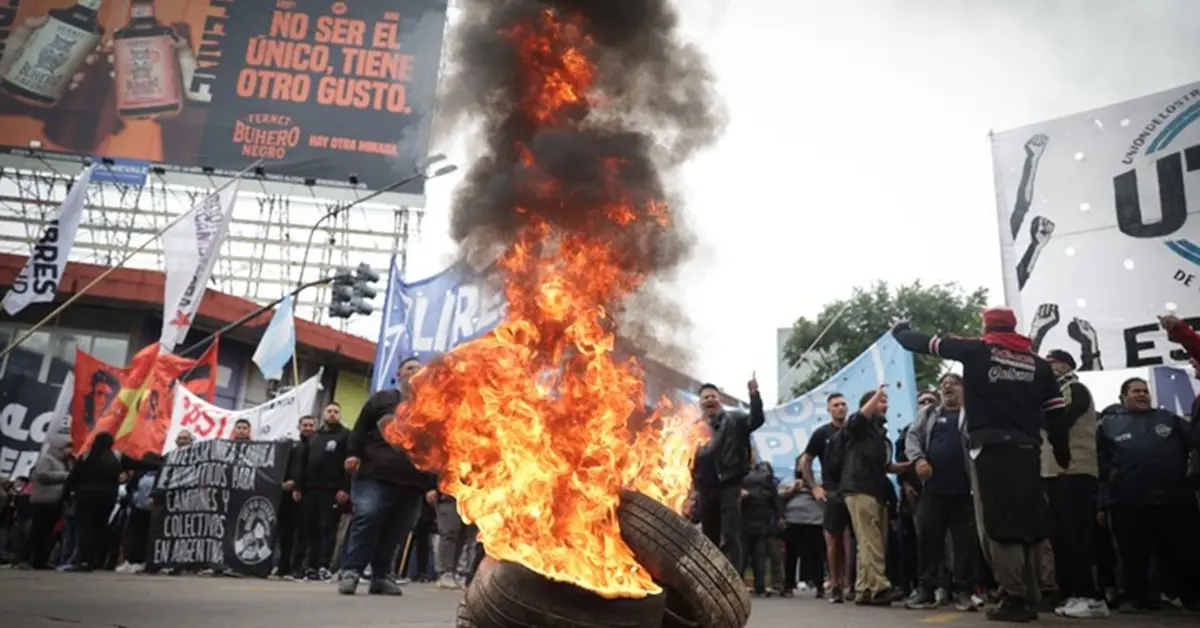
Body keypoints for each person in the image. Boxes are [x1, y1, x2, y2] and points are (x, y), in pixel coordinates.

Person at [892, 308, 1070, 623]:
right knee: (1028, 521)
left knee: (1000, 524)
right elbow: (1056, 410)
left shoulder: (977, 349)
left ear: (987, 327)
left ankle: (1014, 598)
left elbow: (924, 344)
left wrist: (900, 331)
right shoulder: (1038, 364)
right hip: (1029, 448)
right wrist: (1062, 449)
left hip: (991, 449)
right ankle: (1031, 594)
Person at [1096, 378, 1200, 612]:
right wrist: (1108, 476)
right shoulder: (1108, 425)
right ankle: (1138, 598)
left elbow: (1194, 443)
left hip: (1173, 499)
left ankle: (1184, 596)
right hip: (1128, 500)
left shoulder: (1169, 419)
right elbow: (1097, 458)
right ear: (1123, 397)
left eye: (1145, 391)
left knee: (1180, 551)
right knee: (1133, 554)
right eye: (1136, 391)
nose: (1142, 395)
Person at [338, 357, 435, 596]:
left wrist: (432, 484)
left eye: (419, 369)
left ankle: (381, 576)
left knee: (397, 529)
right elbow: (360, 427)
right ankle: (351, 571)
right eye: (410, 368)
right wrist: (353, 454)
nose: (415, 372)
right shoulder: (382, 399)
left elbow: (436, 447)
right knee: (368, 518)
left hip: (413, 482)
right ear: (399, 374)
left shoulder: (432, 407)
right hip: (375, 475)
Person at [1040, 351, 1108, 618]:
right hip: (1055, 473)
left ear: (1064, 365)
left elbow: (1063, 420)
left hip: (1076, 470)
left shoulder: (1074, 389)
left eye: (1051, 364)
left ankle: (1091, 596)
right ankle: (1073, 593)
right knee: (1061, 537)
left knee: (1077, 536)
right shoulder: (1050, 394)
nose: (1047, 369)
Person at [904, 374, 978, 612]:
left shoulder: (973, 414)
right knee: (929, 541)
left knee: (964, 543)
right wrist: (918, 460)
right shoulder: (929, 414)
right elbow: (912, 436)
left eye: (953, 384)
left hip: (965, 490)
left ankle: (963, 591)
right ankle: (925, 590)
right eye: (944, 385)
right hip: (934, 490)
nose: (948, 388)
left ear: (963, 389)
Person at [842, 386, 908, 606]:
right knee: (872, 540)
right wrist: (874, 397)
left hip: (875, 489)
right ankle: (880, 587)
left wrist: (909, 466)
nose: (885, 404)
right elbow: (857, 419)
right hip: (860, 488)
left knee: (867, 541)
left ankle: (864, 588)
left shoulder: (880, 436)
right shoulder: (859, 428)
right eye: (880, 401)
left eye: (885, 401)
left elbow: (886, 466)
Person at [692, 377, 764, 573]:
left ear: (719, 399)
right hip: (706, 487)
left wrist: (754, 395)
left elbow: (757, 420)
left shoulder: (736, 419)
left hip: (730, 483)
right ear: (700, 402)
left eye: (712, 396)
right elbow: (690, 459)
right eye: (705, 397)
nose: (709, 400)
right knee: (709, 536)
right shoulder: (695, 427)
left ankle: (733, 579)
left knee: (730, 535)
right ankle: (711, 578)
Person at [61, 433, 158, 572]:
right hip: (107, 498)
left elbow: (73, 478)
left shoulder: (86, 456)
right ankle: (93, 561)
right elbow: (137, 464)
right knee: (99, 529)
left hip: (85, 497)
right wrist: (161, 464)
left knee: (84, 529)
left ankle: (83, 560)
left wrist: (65, 496)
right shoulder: (117, 457)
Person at [798, 392, 854, 603]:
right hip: (832, 491)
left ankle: (854, 584)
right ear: (829, 410)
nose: (841, 408)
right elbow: (806, 460)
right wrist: (814, 487)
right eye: (836, 405)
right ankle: (836, 585)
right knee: (834, 540)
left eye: (843, 404)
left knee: (857, 541)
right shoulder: (822, 433)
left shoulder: (853, 431)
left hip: (855, 490)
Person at [294, 404, 350, 581]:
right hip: (311, 489)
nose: (332, 414)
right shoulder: (315, 437)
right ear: (323, 414)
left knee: (327, 529)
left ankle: (324, 566)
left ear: (340, 415)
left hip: (332, 490)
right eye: (329, 411)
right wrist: (298, 487)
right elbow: (303, 463)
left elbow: (349, 465)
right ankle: (309, 565)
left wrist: (344, 488)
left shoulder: (345, 436)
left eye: (336, 412)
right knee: (310, 529)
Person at [277, 415, 316, 579]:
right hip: (287, 495)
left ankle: (298, 567)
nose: (307, 428)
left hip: (307, 494)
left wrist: (298, 483)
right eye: (304, 425)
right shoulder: (292, 447)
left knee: (303, 533)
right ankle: (283, 566)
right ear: (298, 427)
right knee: (285, 532)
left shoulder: (316, 446)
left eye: (310, 425)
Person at [779, 463, 825, 598]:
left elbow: (824, 496)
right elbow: (780, 496)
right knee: (791, 555)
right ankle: (788, 584)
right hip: (793, 520)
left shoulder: (819, 480)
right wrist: (794, 488)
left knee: (817, 555)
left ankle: (819, 584)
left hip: (814, 521)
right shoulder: (788, 480)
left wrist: (812, 487)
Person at [28, 433, 72, 570]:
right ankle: (26, 558)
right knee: (37, 531)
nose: (69, 450)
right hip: (43, 500)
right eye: (67, 447)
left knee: (48, 533)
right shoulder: (46, 459)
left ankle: (41, 560)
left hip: (56, 501)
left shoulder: (64, 462)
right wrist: (65, 476)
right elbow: (42, 475)